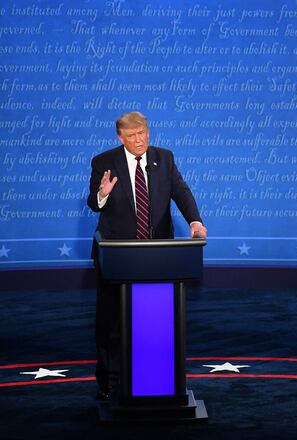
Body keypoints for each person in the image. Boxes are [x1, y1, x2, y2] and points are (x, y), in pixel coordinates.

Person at [87, 111, 207, 400]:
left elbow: (181, 191)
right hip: (117, 257)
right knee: (111, 323)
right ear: (120, 137)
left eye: (142, 133)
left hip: (157, 257)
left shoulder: (163, 158)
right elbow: (94, 203)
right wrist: (102, 195)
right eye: (131, 136)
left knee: (156, 322)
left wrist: (194, 220)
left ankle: (158, 378)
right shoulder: (104, 162)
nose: (139, 140)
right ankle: (110, 383)